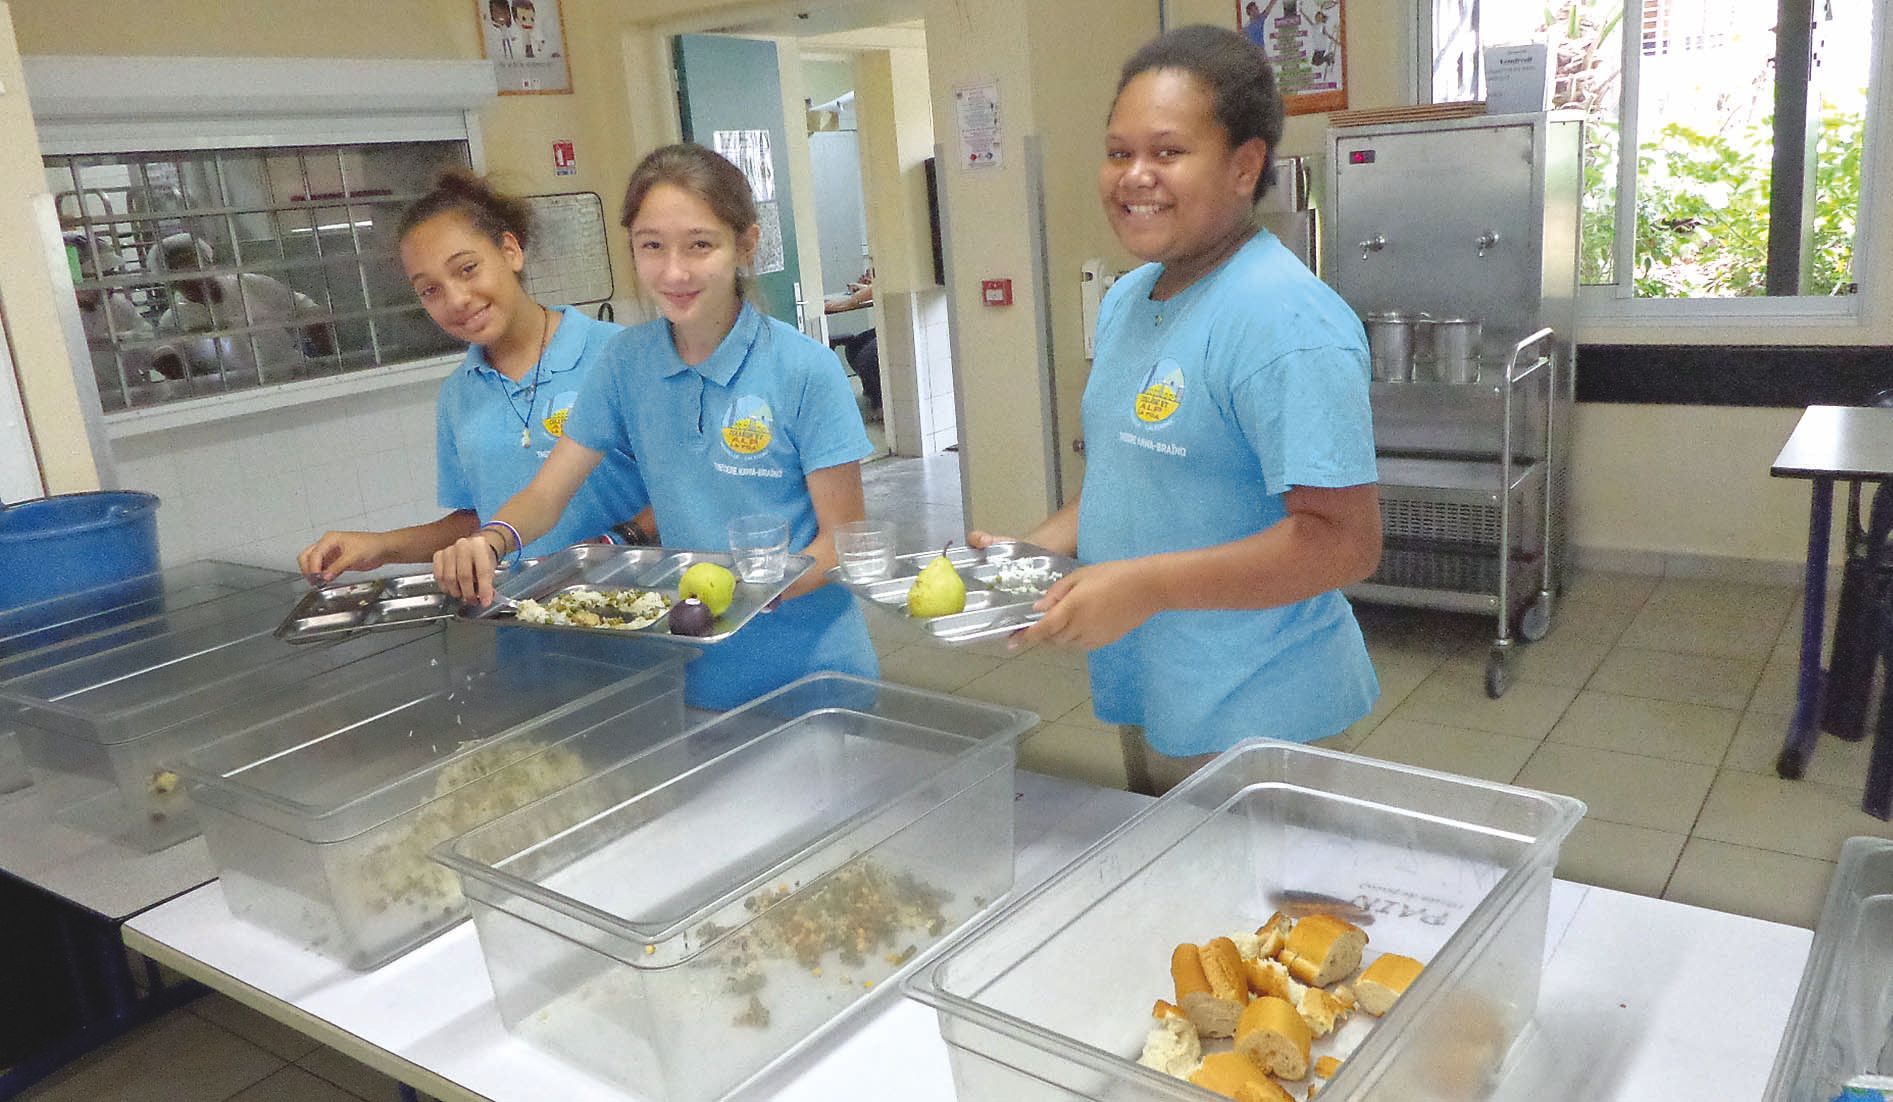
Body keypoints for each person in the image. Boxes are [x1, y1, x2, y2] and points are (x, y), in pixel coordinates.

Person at [973, 25, 1381, 796]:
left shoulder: (1284, 322)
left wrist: (1147, 586)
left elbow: (1343, 544)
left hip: (1262, 712)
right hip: (1152, 685)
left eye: (1166, 152)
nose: (1134, 177)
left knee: (1260, 918)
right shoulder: (1132, 297)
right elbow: (1128, 479)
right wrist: (1030, 556)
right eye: (1118, 151)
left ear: (1243, 165)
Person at [431, 143, 878, 709]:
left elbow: (843, 538)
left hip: (814, 667)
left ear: (745, 245)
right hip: (696, 669)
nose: (673, 272)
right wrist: (492, 539)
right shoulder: (625, 363)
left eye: (700, 245)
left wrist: (752, 593)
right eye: (652, 247)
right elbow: (547, 493)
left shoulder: (803, 369)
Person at [298, 171, 648, 581]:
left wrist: (618, 540)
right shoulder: (458, 395)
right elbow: (478, 521)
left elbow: (685, 483)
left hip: (640, 600)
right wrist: (381, 546)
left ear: (510, 251)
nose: (457, 300)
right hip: (524, 613)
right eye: (430, 290)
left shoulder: (619, 354)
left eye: (467, 269)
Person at [151, 234, 336, 381]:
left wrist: (328, 361)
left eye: (193, 264)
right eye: (179, 272)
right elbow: (164, 357)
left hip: (294, 375)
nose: (191, 277)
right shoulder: (173, 319)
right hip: (234, 394)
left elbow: (309, 311)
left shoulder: (251, 285)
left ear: (208, 263)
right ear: (170, 282)